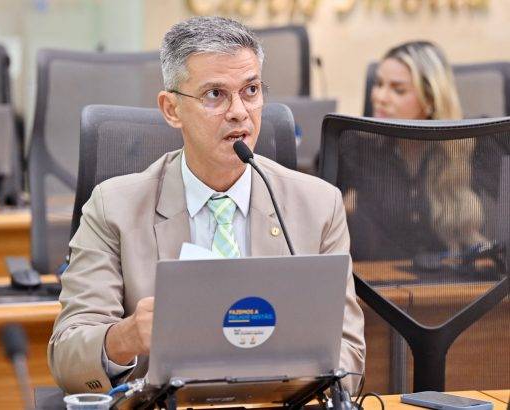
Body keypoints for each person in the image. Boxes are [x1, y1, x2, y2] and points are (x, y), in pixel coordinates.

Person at [48, 16, 365, 394]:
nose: (238, 112)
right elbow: (67, 359)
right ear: (171, 109)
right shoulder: (113, 207)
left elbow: (349, 356)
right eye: (215, 94)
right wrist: (126, 336)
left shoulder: (317, 205)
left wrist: (282, 381)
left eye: (250, 90)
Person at [342, 41, 487, 261]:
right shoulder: (356, 147)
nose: (379, 97)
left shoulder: (469, 147)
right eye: (378, 84)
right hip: (377, 285)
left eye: (398, 90)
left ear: (430, 99)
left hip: (452, 286)